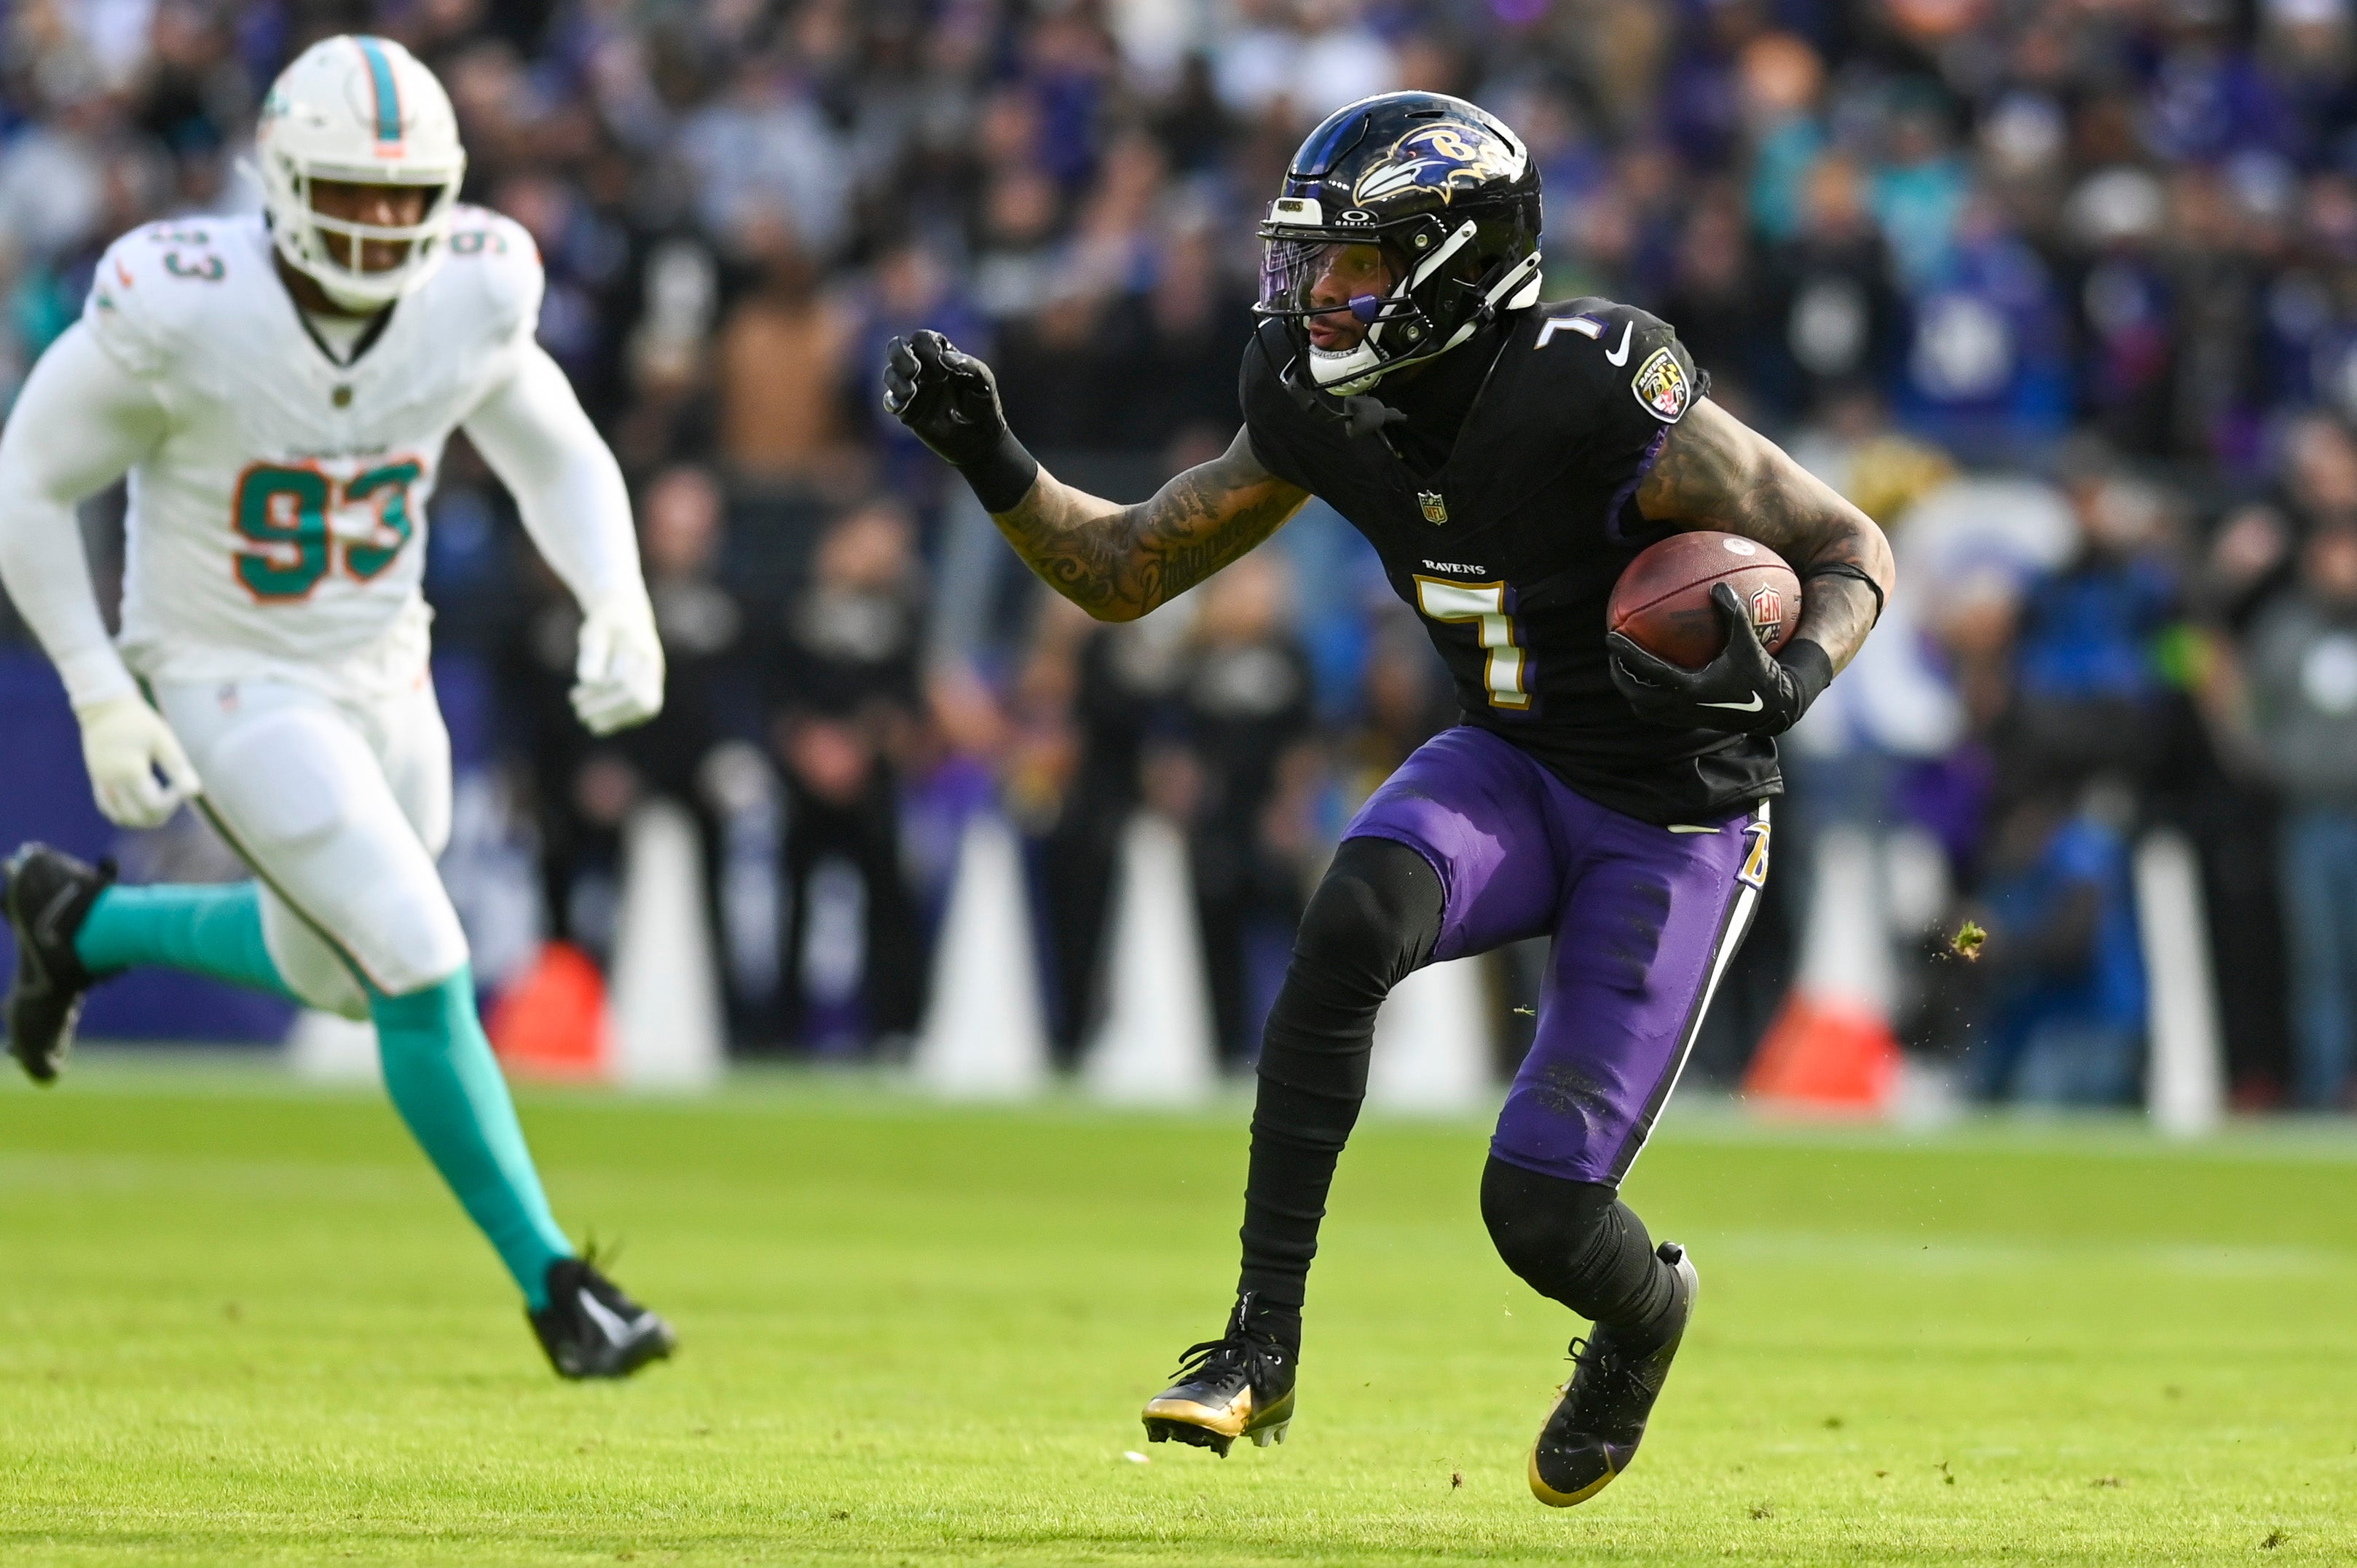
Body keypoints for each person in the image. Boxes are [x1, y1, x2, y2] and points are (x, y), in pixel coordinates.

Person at [884, 91, 1892, 1505]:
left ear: (1455, 262)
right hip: (1513, 762)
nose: (1316, 294)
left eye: (1352, 262)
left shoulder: (1593, 390)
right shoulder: (1317, 404)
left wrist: (1787, 684)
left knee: (1538, 1208)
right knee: (1354, 910)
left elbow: (1849, 545)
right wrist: (992, 458)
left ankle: (1646, 1312)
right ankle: (1259, 1341)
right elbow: (1124, 569)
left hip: (1676, 812)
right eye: (1309, 260)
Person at [0, 37, 676, 1380]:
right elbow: (28, 476)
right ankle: (561, 1284)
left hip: (384, 663)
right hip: (225, 668)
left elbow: (554, 449)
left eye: (402, 195)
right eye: (348, 193)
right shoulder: (185, 299)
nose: (376, 223)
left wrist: (619, 596)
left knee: (339, 975)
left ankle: (80, 920)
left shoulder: (472, 287)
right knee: (418, 956)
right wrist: (98, 687)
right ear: (279, 181)